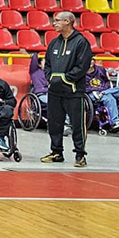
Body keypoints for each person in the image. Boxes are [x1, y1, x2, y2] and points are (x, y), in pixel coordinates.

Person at [42, 10, 92, 167]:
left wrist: (65, 79)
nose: (54, 23)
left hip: (73, 91)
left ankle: (80, 155)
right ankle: (56, 152)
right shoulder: (53, 43)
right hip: (54, 91)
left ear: (67, 22)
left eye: (57, 20)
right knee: (54, 123)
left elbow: (82, 66)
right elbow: (47, 64)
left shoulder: (81, 42)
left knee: (77, 125)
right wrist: (51, 78)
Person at [85, 63, 119, 133]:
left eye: (92, 60)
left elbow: (107, 82)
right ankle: (115, 121)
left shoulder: (101, 69)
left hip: (105, 91)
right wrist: (96, 90)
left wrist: (104, 90)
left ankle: (105, 92)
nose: (90, 62)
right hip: (92, 93)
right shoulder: (81, 72)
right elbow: (83, 88)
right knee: (109, 99)